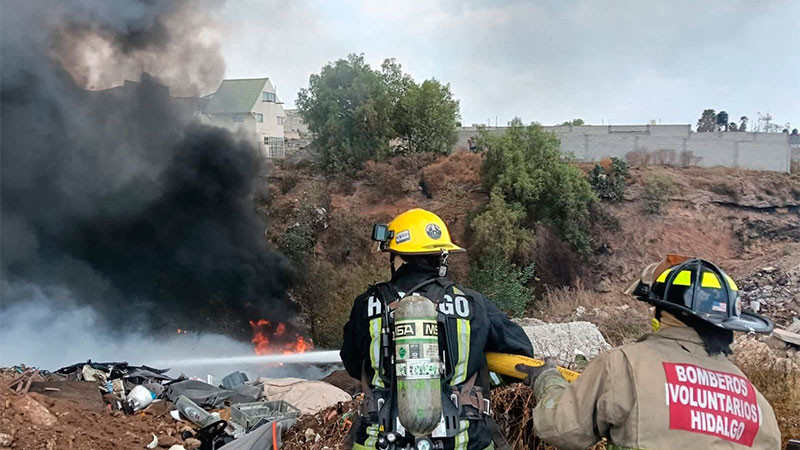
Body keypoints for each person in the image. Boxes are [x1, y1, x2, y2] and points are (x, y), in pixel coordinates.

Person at [516, 255, 782, 450]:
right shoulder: (756, 401)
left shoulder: (624, 365)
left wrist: (547, 380)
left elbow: (561, 428)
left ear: (662, 312)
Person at [341, 208, 534, 450]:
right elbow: (522, 352)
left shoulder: (366, 305)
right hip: (465, 442)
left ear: (396, 257)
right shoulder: (472, 303)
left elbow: (351, 363)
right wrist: (479, 384)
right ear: (441, 258)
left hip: (381, 440)